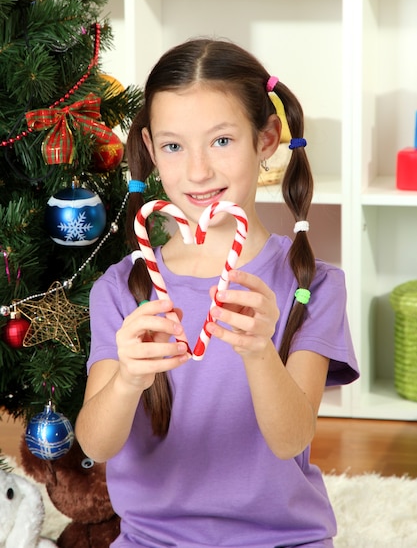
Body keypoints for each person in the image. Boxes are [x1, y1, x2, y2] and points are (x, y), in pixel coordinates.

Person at [75, 37, 359, 548]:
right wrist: (127, 381)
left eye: (222, 141)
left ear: (267, 138)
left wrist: (258, 352)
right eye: (173, 145)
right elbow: (95, 442)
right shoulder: (121, 288)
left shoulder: (313, 285)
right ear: (150, 148)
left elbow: (292, 437)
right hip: (151, 539)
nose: (198, 171)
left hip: (281, 539)